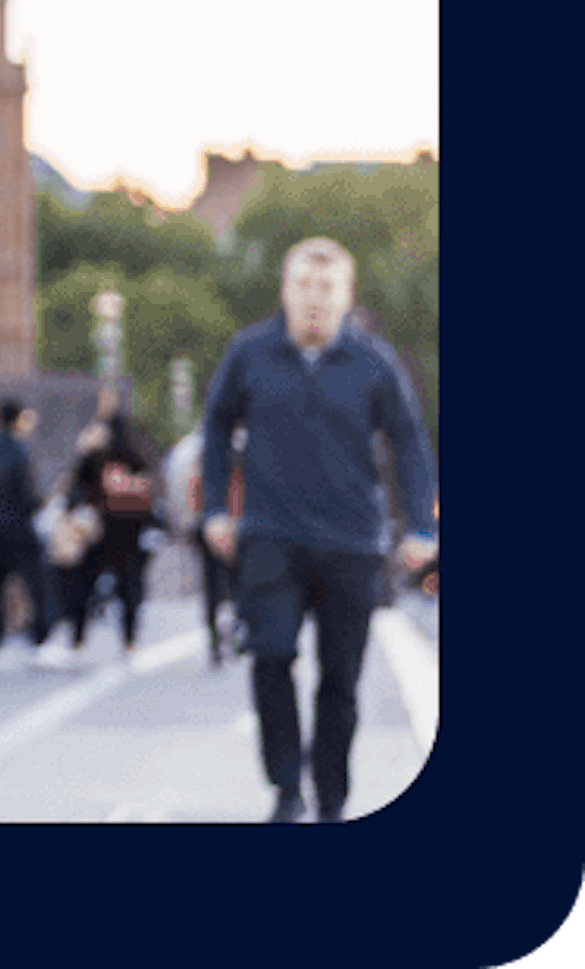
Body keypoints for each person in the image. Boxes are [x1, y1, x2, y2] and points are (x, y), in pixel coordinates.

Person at [194, 237, 439, 823]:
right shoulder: (250, 352)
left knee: (341, 679)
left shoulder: (374, 362)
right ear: (285, 289)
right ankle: (285, 787)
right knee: (270, 656)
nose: (313, 300)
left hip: (351, 542)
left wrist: (421, 527)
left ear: (346, 297)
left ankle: (331, 797)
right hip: (270, 536)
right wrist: (214, 512)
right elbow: (214, 428)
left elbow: (409, 441)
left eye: (326, 289)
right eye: (303, 286)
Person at [59, 398, 161, 667]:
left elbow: (75, 486)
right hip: (130, 533)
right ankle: (130, 643)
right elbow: (151, 493)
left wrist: (83, 450)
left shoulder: (95, 455)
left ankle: (78, 642)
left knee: (83, 587)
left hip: (98, 533)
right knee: (130, 589)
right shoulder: (136, 454)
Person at [0, 400, 53, 669]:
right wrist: (41, 504)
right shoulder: (20, 451)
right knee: (37, 584)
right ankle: (39, 641)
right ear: (17, 420)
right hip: (19, 527)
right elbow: (27, 494)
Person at [161, 418, 236, 666]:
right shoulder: (226, 452)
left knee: (212, 582)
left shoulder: (188, 452)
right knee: (231, 582)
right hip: (227, 523)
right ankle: (228, 632)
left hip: (201, 524)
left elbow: (181, 493)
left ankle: (216, 637)